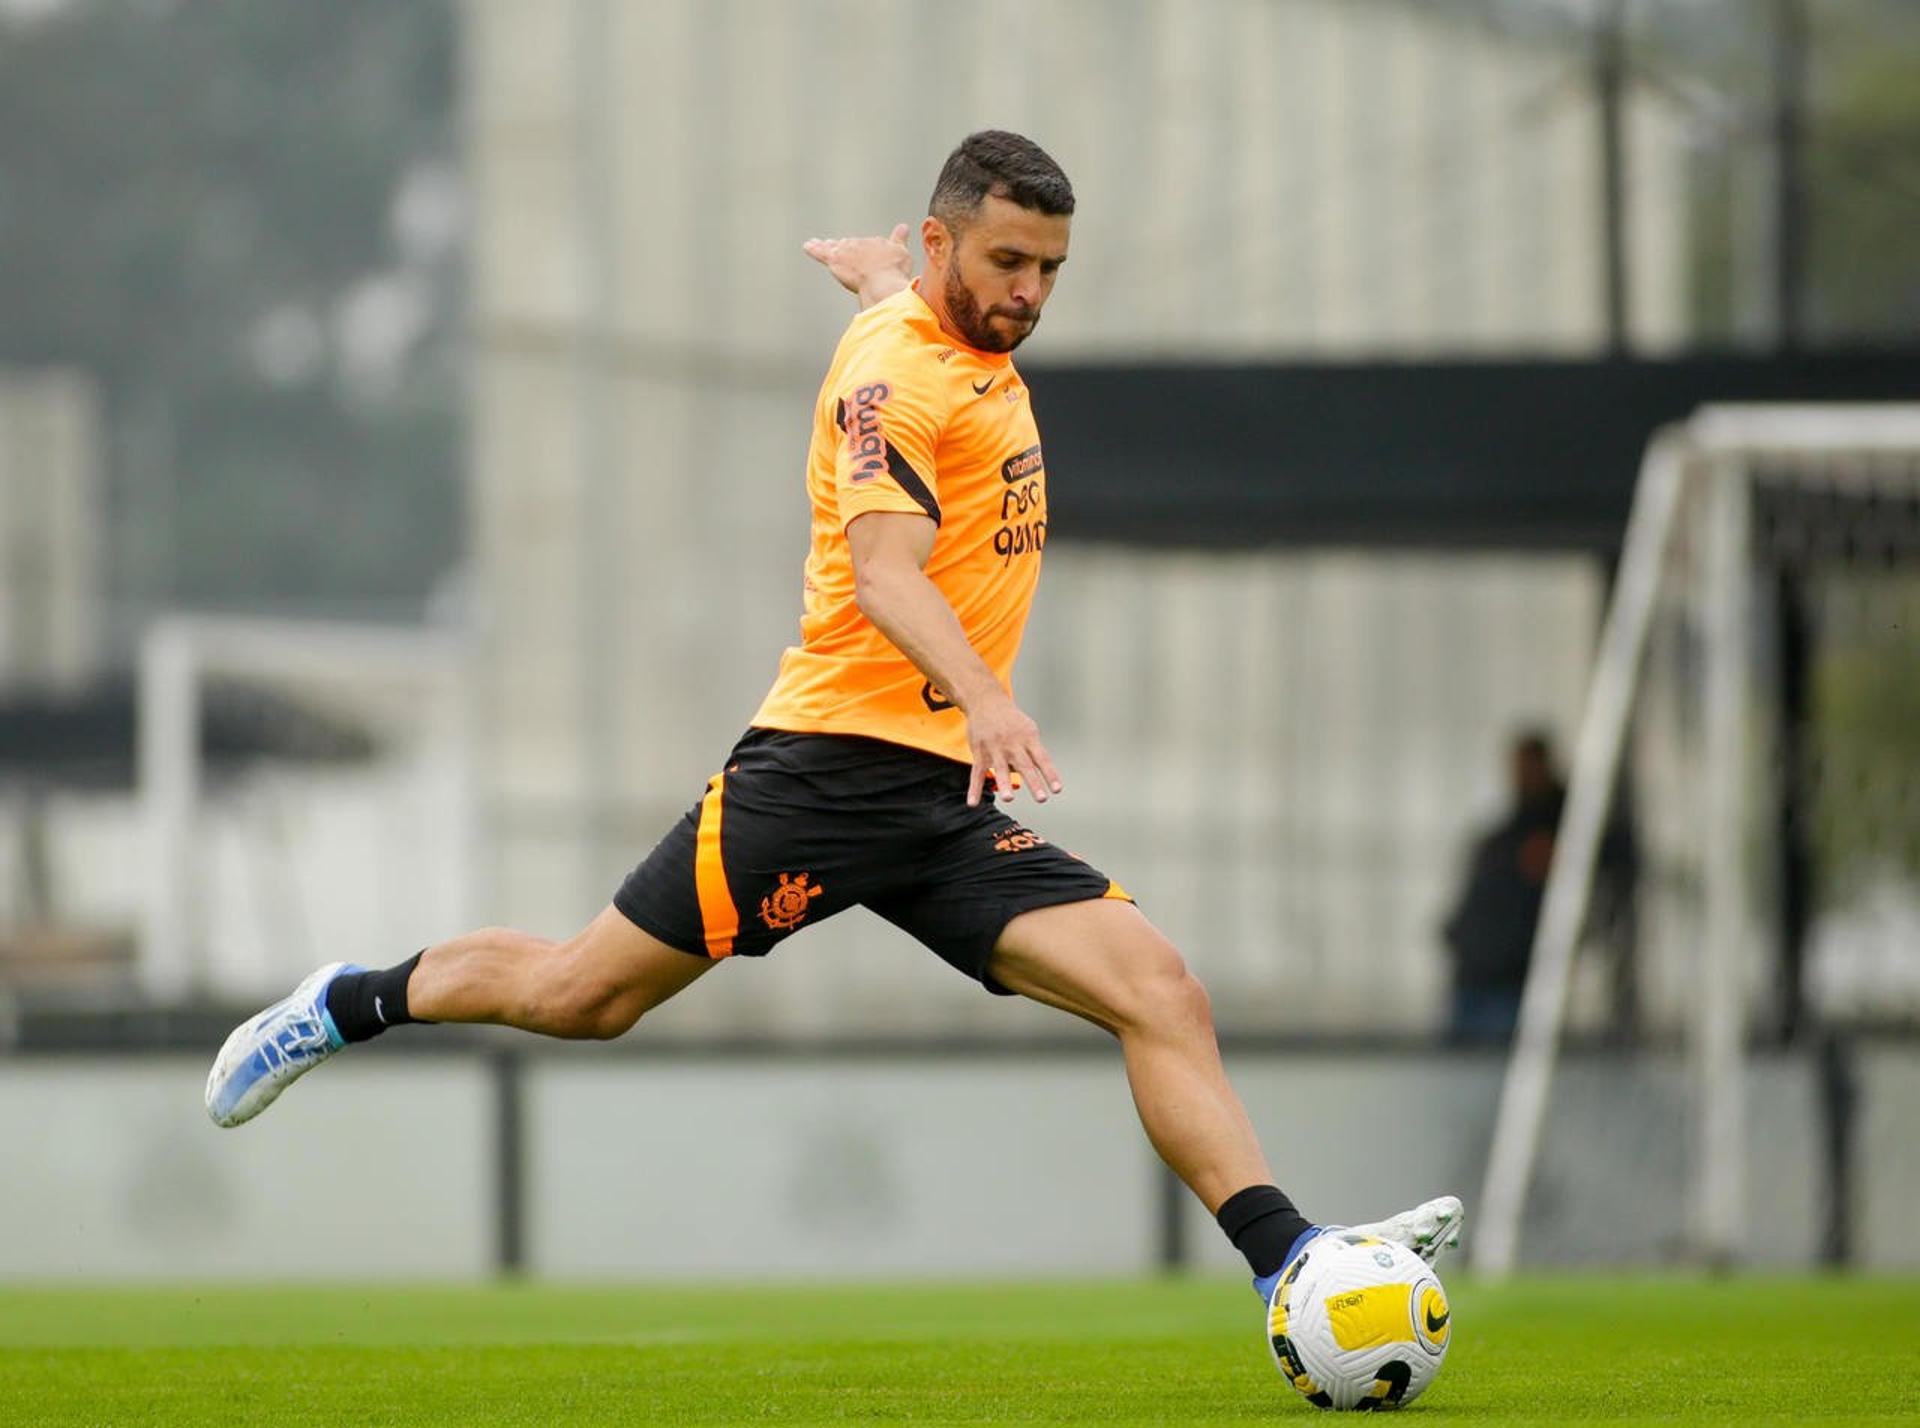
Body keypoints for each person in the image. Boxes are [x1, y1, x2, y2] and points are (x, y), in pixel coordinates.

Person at [207, 131, 1460, 1314]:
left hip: (938, 803)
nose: (1029, 293)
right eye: (1007, 262)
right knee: (578, 997)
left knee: (1161, 992)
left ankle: (1292, 1267)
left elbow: (896, 319)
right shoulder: (896, 371)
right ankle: (347, 1002)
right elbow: (885, 571)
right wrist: (986, 698)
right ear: (942, 242)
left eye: (1049, 270)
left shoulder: (926, 325)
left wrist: (874, 278)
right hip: (819, 776)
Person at [1442, 730, 1566, 1040]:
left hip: (1510, 975)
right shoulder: (1507, 834)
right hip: (1476, 967)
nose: (1521, 776)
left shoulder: (1557, 829)